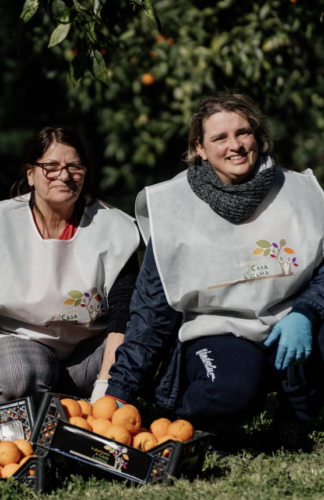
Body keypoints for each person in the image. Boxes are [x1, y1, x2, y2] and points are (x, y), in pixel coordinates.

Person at [106, 91, 324, 447]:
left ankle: (295, 418)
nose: (234, 145)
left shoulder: (301, 192)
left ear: (259, 136)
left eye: (243, 133)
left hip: (291, 321)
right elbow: (152, 310)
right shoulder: (174, 205)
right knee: (228, 391)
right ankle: (187, 422)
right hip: (218, 332)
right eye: (219, 138)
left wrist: (307, 312)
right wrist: (119, 392)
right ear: (200, 148)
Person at [0, 126, 140, 413]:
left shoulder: (116, 229)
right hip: (21, 343)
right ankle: (40, 411)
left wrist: (106, 388)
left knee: (143, 340)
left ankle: (74, 413)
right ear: (30, 174)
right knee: (17, 377)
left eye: (74, 167)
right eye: (50, 167)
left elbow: (124, 314)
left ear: (85, 173)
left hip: (89, 353)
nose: (63, 175)